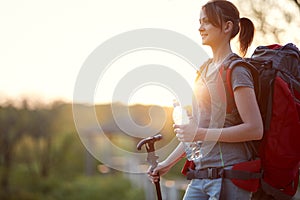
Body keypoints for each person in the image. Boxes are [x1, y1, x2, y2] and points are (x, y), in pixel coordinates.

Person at [148, 0, 263, 199]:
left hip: (230, 175)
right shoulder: (202, 71)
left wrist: (199, 132)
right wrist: (166, 164)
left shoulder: (237, 71)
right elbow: (194, 134)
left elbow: (255, 129)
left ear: (227, 27)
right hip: (200, 177)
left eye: (207, 22)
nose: (200, 27)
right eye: (200, 22)